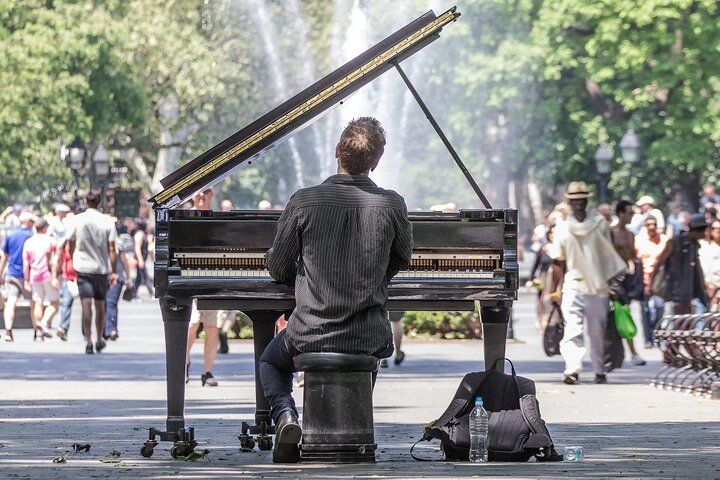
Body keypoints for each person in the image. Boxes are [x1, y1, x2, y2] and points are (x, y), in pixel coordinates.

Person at [259, 117, 413, 463]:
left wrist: (302, 273)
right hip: (368, 333)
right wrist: (372, 279)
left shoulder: (304, 201)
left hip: (309, 331)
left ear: (336, 152)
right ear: (376, 161)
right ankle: (353, 430)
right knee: (369, 351)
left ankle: (285, 415)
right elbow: (403, 256)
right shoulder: (392, 204)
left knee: (271, 360)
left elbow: (277, 267)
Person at [548, 181, 626, 385]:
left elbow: (609, 255)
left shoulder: (600, 224)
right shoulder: (563, 228)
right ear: (569, 202)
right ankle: (572, 369)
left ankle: (599, 369)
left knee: (597, 331)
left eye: (582, 200)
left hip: (598, 286)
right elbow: (558, 261)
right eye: (574, 200)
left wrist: (612, 285)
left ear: (587, 201)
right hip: (573, 284)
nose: (579, 204)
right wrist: (553, 290)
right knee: (572, 330)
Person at [66, 190, 118, 354]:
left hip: (83, 268)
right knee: (100, 305)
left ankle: (88, 340)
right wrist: (114, 270)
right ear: (99, 203)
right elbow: (112, 249)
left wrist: (73, 256)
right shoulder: (108, 221)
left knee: (86, 304)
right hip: (100, 269)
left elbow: (70, 243)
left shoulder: (77, 220)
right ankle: (99, 338)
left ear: (86, 202)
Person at [185, 188, 226, 387]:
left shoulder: (214, 218)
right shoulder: (185, 218)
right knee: (191, 325)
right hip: (191, 280)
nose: (202, 196)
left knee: (211, 328)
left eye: (206, 192)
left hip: (210, 279)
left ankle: (207, 371)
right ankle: (184, 363)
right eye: (198, 193)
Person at [609, 200, 645, 366]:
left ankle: (631, 353)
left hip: (625, 279)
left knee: (624, 315)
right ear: (620, 213)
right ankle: (615, 353)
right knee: (612, 317)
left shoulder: (630, 234)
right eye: (629, 213)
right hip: (610, 280)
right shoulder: (610, 232)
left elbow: (631, 257)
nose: (632, 216)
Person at [649, 213, 708, 314]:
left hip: (687, 295)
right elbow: (659, 262)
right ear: (697, 231)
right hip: (672, 293)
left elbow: (696, 270)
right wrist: (651, 284)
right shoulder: (675, 243)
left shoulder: (693, 245)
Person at [635, 215, 669, 347]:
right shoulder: (638, 240)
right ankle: (647, 339)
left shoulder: (665, 240)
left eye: (654, 224)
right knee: (645, 309)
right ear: (645, 226)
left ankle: (657, 335)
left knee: (659, 307)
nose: (652, 227)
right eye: (649, 224)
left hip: (659, 281)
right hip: (643, 279)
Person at [0, 212, 35, 341]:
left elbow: (4, 257)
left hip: (12, 274)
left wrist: (0, 273)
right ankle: (38, 331)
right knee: (34, 303)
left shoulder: (11, 236)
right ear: (28, 222)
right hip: (28, 276)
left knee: (11, 301)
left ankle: (8, 331)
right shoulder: (32, 236)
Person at [22, 219, 60, 339]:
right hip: (47, 275)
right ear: (45, 228)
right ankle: (43, 322)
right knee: (55, 303)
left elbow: (26, 263)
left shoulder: (29, 242)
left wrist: (26, 280)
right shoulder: (51, 241)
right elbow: (54, 260)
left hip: (35, 275)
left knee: (38, 302)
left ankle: (38, 331)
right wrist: (55, 277)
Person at [105, 222, 133, 340]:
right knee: (106, 304)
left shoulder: (118, 243)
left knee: (110, 303)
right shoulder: (101, 242)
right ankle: (106, 329)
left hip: (116, 277)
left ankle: (111, 329)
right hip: (104, 276)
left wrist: (128, 278)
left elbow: (124, 262)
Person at [53, 238, 76, 341]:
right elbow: (56, 259)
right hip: (68, 278)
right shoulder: (64, 243)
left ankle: (88, 334)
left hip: (83, 276)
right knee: (67, 303)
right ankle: (63, 328)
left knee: (87, 305)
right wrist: (54, 277)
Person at [699, 219, 720, 312]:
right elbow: (703, 267)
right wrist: (708, 284)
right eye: (715, 228)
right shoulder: (704, 245)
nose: (717, 230)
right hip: (709, 286)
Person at [130, 217, 154, 298]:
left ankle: (133, 294)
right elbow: (137, 248)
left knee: (139, 277)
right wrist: (140, 260)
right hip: (140, 259)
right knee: (145, 276)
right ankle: (151, 292)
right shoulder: (139, 234)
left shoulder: (142, 233)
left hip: (142, 258)